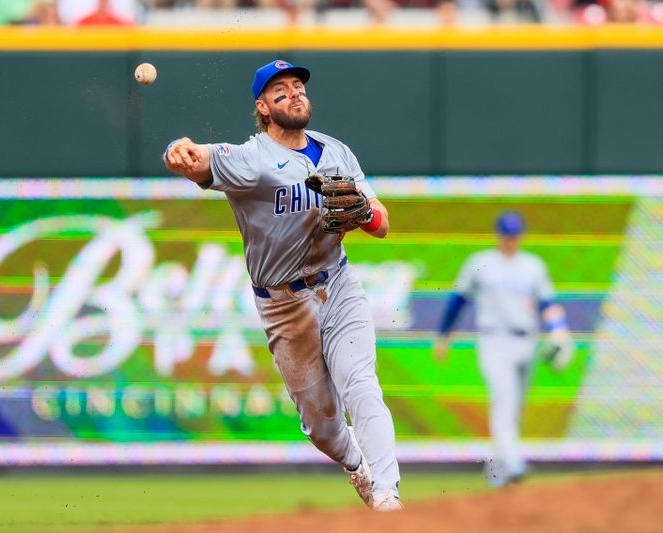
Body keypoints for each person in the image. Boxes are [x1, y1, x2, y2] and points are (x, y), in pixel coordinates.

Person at [162, 59, 403, 512]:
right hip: (285, 304)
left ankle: (388, 496)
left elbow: (382, 223)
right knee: (323, 426)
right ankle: (358, 467)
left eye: (298, 86)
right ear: (264, 108)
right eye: (281, 91)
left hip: (339, 284)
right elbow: (198, 158)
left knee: (362, 384)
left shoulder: (336, 151)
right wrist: (177, 148)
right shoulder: (252, 159)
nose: (294, 93)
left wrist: (365, 214)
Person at [433, 211, 573, 488]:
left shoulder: (533, 266)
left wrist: (560, 332)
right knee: (504, 402)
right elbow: (458, 300)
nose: (511, 240)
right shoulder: (481, 263)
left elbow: (548, 303)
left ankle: (497, 473)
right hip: (493, 341)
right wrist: (443, 335)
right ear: (498, 234)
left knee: (514, 409)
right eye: (507, 234)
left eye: (515, 235)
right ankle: (515, 465)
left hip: (527, 341)